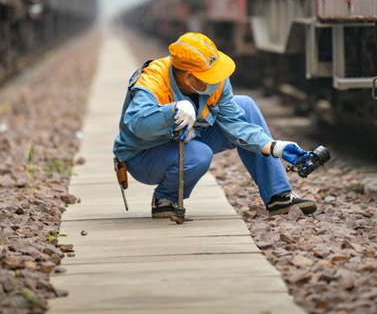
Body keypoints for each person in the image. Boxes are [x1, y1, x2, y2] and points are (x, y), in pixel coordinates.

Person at [113, 32, 317, 218]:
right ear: (189, 78)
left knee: (244, 105)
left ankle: (278, 195)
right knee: (199, 154)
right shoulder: (152, 79)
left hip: (186, 136)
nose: (218, 81)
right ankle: (166, 198)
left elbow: (236, 123)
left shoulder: (214, 79)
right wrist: (172, 111)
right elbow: (136, 125)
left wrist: (274, 147)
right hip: (144, 155)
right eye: (210, 77)